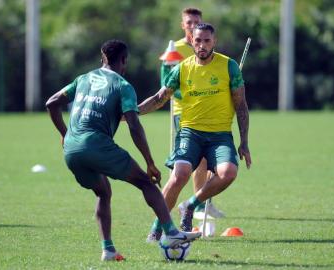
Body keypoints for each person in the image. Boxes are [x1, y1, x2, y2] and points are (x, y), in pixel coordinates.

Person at [45, 40, 201, 261]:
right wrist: (149, 162)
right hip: (96, 144)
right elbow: (134, 126)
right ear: (124, 61)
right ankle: (172, 232)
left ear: (102, 58)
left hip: (71, 150)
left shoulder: (83, 78)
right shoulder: (123, 86)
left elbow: (51, 103)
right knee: (146, 182)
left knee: (103, 192)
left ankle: (108, 250)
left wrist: (66, 134)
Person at [140, 23, 252, 240]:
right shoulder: (182, 68)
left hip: (220, 135)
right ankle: (157, 226)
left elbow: (241, 105)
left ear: (214, 42)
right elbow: (158, 99)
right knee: (179, 175)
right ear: (191, 40)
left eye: (207, 41)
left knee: (228, 173)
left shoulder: (229, 67)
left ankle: (190, 206)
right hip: (190, 132)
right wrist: (133, 112)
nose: (202, 45)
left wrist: (244, 142)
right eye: (198, 40)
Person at [161, 7, 226, 221]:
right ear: (183, 25)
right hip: (184, 112)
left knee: (206, 161)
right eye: (188, 22)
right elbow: (166, 83)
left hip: (209, 112)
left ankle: (202, 202)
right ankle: (192, 207)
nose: (191, 26)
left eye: (195, 22)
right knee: (190, 165)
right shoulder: (175, 49)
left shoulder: (205, 44)